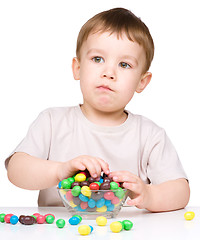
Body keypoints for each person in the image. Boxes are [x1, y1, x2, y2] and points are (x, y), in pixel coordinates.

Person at [5, 7, 190, 212]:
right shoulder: (52, 122)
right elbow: (16, 169)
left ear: (142, 82)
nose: (108, 72)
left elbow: (180, 190)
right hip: (58, 231)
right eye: (97, 59)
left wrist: (149, 195)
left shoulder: (149, 135)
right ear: (78, 68)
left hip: (126, 232)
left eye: (124, 64)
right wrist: (59, 170)